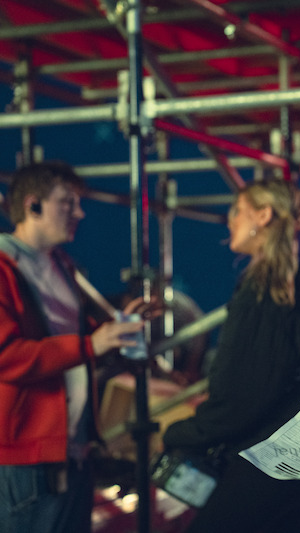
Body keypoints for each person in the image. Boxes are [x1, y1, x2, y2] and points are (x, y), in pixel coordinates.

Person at [161, 180, 300, 533]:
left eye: (237, 211)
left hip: (265, 461)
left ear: (263, 215)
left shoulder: (272, 286)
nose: (230, 220)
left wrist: (184, 433)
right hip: (296, 458)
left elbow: (244, 390)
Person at [0, 161, 153, 533]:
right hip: (28, 457)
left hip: (72, 451)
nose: (80, 213)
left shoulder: (61, 266)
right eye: (67, 203)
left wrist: (113, 334)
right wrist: (91, 343)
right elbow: (6, 357)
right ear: (33, 205)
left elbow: (76, 342)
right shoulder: (4, 267)